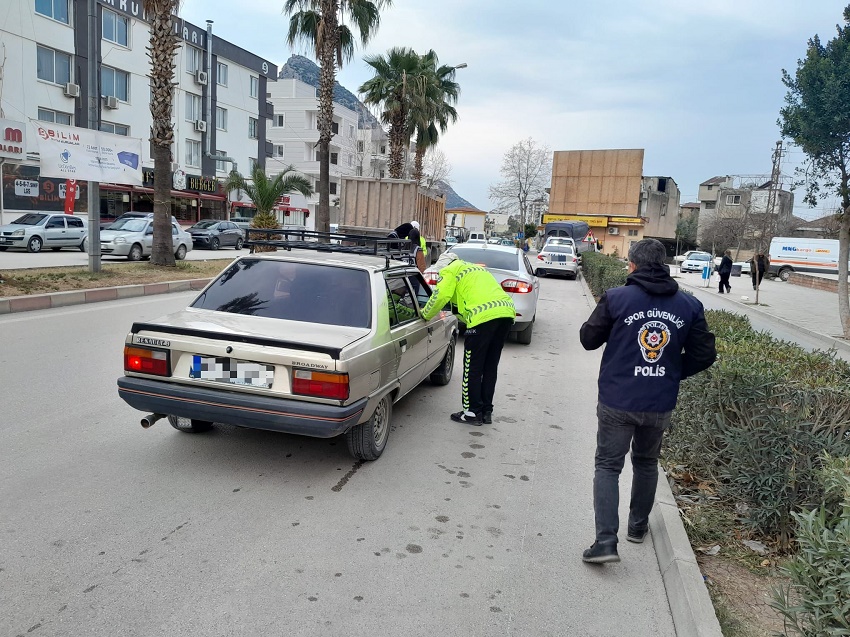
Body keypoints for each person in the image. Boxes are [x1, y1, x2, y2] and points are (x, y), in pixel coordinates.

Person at [578, 239, 716, 564]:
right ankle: (637, 528)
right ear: (664, 264)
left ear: (632, 265)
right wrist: (671, 372)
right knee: (646, 462)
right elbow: (705, 354)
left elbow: (588, 339)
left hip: (617, 400)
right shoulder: (689, 305)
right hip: (659, 401)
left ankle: (605, 542)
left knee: (608, 466)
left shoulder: (617, 298)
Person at [420, 252, 516, 425]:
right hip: (506, 315)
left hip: (484, 319)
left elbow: (440, 296)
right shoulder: (475, 269)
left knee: (472, 368)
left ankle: (471, 413)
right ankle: (486, 412)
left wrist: (425, 314)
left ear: (443, 265)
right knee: (489, 367)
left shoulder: (450, 270)